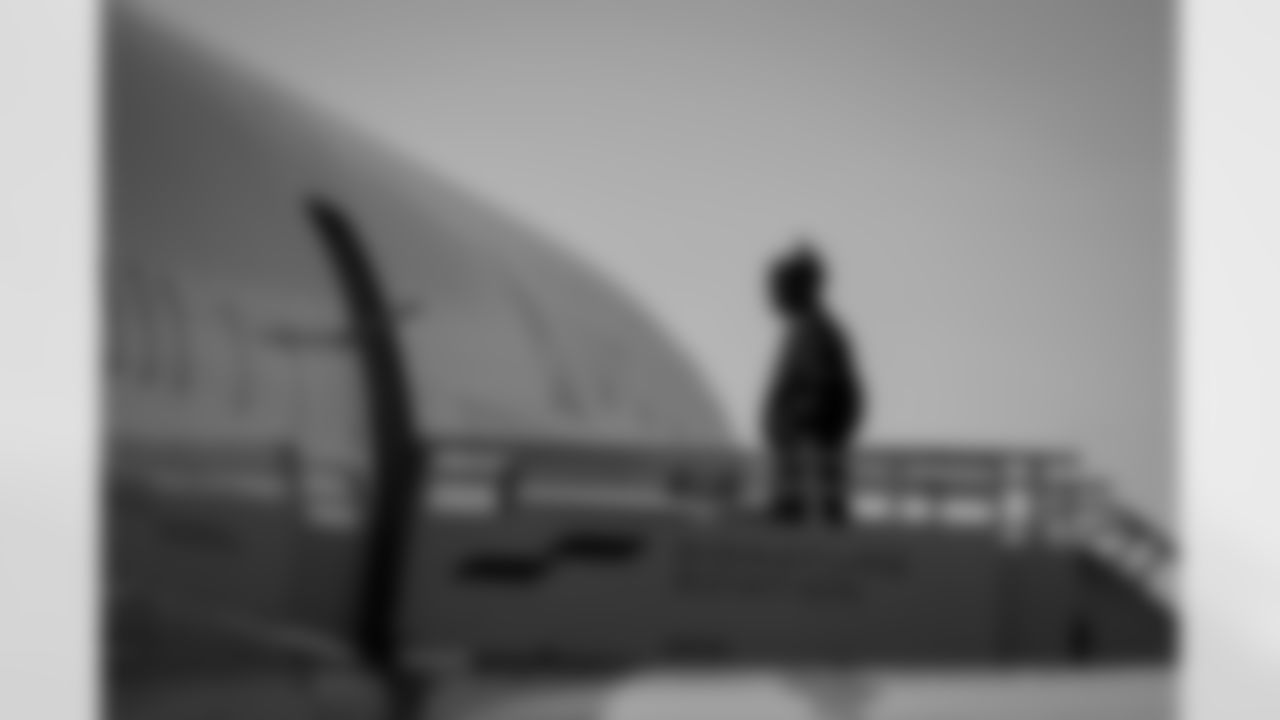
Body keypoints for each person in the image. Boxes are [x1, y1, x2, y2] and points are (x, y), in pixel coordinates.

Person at [761, 243, 867, 526]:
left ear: (799, 287)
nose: (772, 294)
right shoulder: (808, 331)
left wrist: (801, 435)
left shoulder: (816, 333)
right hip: (802, 472)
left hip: (808, 479)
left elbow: (830, 399)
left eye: (779, 285)